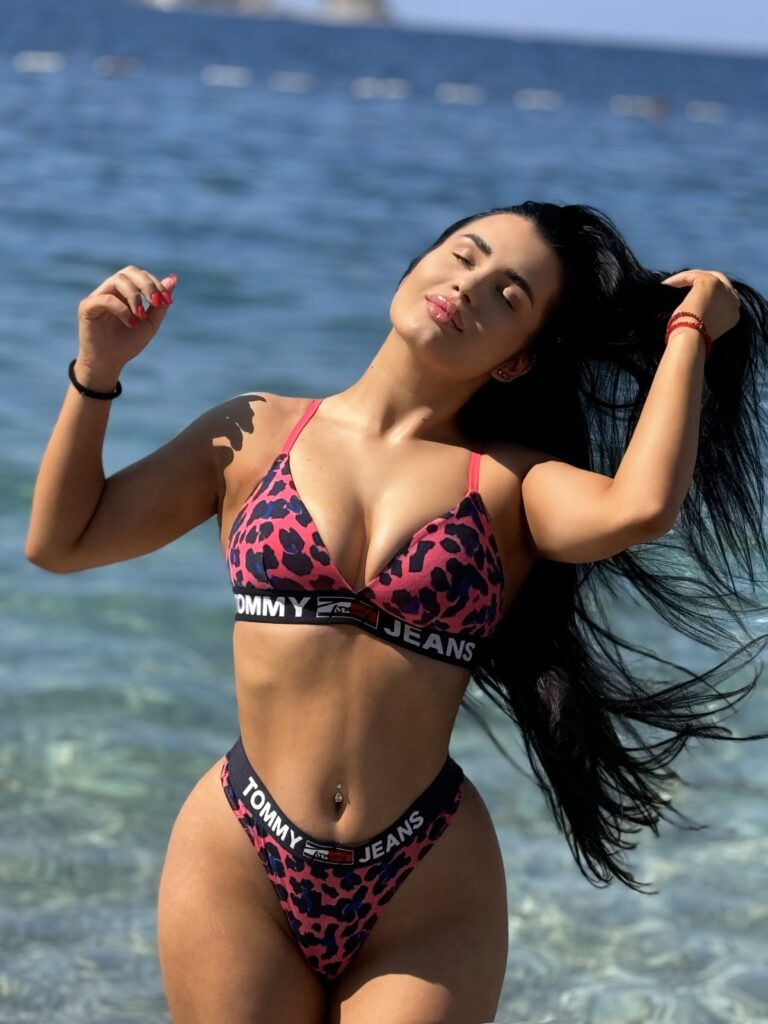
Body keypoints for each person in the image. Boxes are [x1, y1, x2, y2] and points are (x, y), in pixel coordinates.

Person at [25, 202, 768, 1024]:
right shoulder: (256, 431)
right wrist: (97, 370)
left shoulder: (512, 484)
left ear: (518, 360)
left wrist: (692, 327)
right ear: (415, 266)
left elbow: (641, 506)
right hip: (240, 850)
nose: (469, 285)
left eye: (509, 295)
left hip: (426, 878)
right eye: (464, 255)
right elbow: (62, 541)